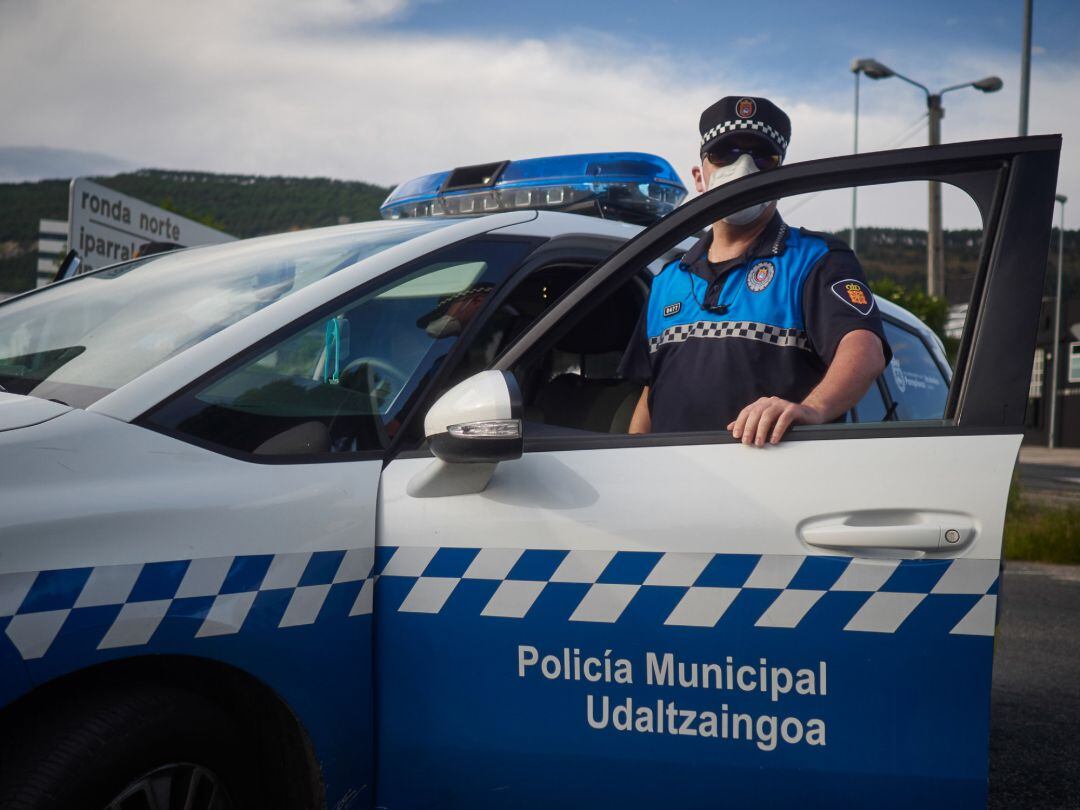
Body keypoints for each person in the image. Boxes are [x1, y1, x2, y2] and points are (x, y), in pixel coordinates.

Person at [618, 95, 891, 447]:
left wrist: (812, 409)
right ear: (700, 177)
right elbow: (650, 393)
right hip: (674, 487)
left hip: (775, 489)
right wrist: (635, 454)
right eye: (725, 154)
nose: (744, 168)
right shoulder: (669, 279)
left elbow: (864, 349)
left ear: (781, 177)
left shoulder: (818, 260)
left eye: (763, 157)